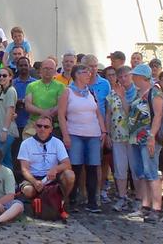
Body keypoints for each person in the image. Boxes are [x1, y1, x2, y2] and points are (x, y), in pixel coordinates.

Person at [57, 64, 107, 213]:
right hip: (75, 133)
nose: (89, 74)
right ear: (77, 75)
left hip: (93, 134)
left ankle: (92, 201)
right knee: (76, 167)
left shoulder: (91, 92)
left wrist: (103, 130)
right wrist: (65, 135)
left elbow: (97, 113)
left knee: (92, 167)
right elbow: (61, 115)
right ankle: (72, 199)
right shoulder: (67, 92)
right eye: (85, 72)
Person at [127, 64, 163, 223]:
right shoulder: (138, 92)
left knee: (151, 172)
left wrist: (152, 136)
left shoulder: (154, 92)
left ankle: (156, 208)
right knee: (141, 172)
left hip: (147, 138)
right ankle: (145, 206)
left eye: (135, 75)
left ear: (142, 77)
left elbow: (158, 115)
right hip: (136, 138)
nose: (133, 78)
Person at [17, 116, 75, 211]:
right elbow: (24, 169)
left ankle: (62, 201)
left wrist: (55, 169)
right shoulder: (26, 143)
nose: (42, 129)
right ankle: (37, 203)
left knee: (70, 175)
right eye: (39, 126)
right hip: (33, 177)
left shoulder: (57, 143)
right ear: (35, 127)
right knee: (28, 190)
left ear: (51, 129)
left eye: (46, 127)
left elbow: (67, 164)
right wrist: (35, 182)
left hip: (52, 177)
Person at [104, 65, 138, 212]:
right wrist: (107, 133)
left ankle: (139, 197)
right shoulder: (112, 93)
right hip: (118, 135)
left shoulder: (137, 92)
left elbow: (130, 112)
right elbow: (108, 114)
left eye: (126, 76)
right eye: (121, 76)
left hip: (134, 136)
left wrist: (123, 97)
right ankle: (122, 196)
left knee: (136, 168)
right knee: (120, 167)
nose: (123, 79)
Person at [0, 68, 19, 169]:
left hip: (7, 132)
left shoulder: (10, 91)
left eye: (4, 75)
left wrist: (4, 131)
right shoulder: (1, 91)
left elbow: (10, 111)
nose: (1, 78)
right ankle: (11, 184)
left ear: (10, 77)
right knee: (6, 161)